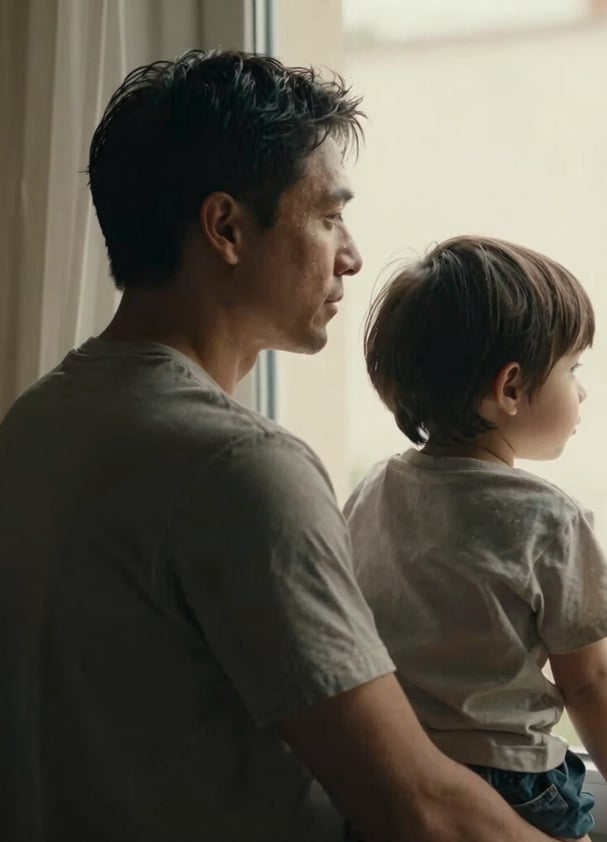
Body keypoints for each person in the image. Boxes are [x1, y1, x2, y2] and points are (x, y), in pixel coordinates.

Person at [0, 50, 558, 842]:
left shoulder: (36, 424)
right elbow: (419, 807)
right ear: (226, 227)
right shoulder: (236, 467)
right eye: (328, 216)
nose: (353, 255)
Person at [344, 236, 607, 841]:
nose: (582, 391)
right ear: (510, 389)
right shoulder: (547, 518)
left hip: (391, 770)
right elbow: (588, 678)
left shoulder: (376, 488)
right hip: (509, 781)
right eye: (572, 368)